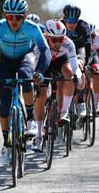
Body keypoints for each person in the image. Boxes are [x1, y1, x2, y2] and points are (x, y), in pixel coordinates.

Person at [0, 0, 51, 164]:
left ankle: (30, 120)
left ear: (24, 16)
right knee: (4, 107)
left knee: (24, 75)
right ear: (5, 16)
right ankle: (7, 144)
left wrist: (39, 72)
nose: (14, 20)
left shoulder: (32, 28)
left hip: (25, 58)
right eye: (10, 17)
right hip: (6, 61)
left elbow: (45, 52)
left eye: (18, 17)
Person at [32, 19, 83, 151]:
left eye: (60, 39)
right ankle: (38, 133)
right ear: (47, 36)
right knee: (41, 95)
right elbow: (35, 65)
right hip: (45, 61)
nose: (58, 43)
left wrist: (77, 76)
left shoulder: (68, 43)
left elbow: (74, 65)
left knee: (70, 75)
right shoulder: (39, 42)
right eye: (54, 40)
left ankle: (63, 113)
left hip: (61, 61)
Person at [60, 4, 92, 119]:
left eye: (74, 21)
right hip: (65, 50)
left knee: (79, 66)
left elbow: (88, 46)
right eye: (68, 20)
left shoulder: (84, 26)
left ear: (78, 20)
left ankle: (80, 102)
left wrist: (87, 62)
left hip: (79, 50)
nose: (71, 24)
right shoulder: (59, 24)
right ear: (64, 19)